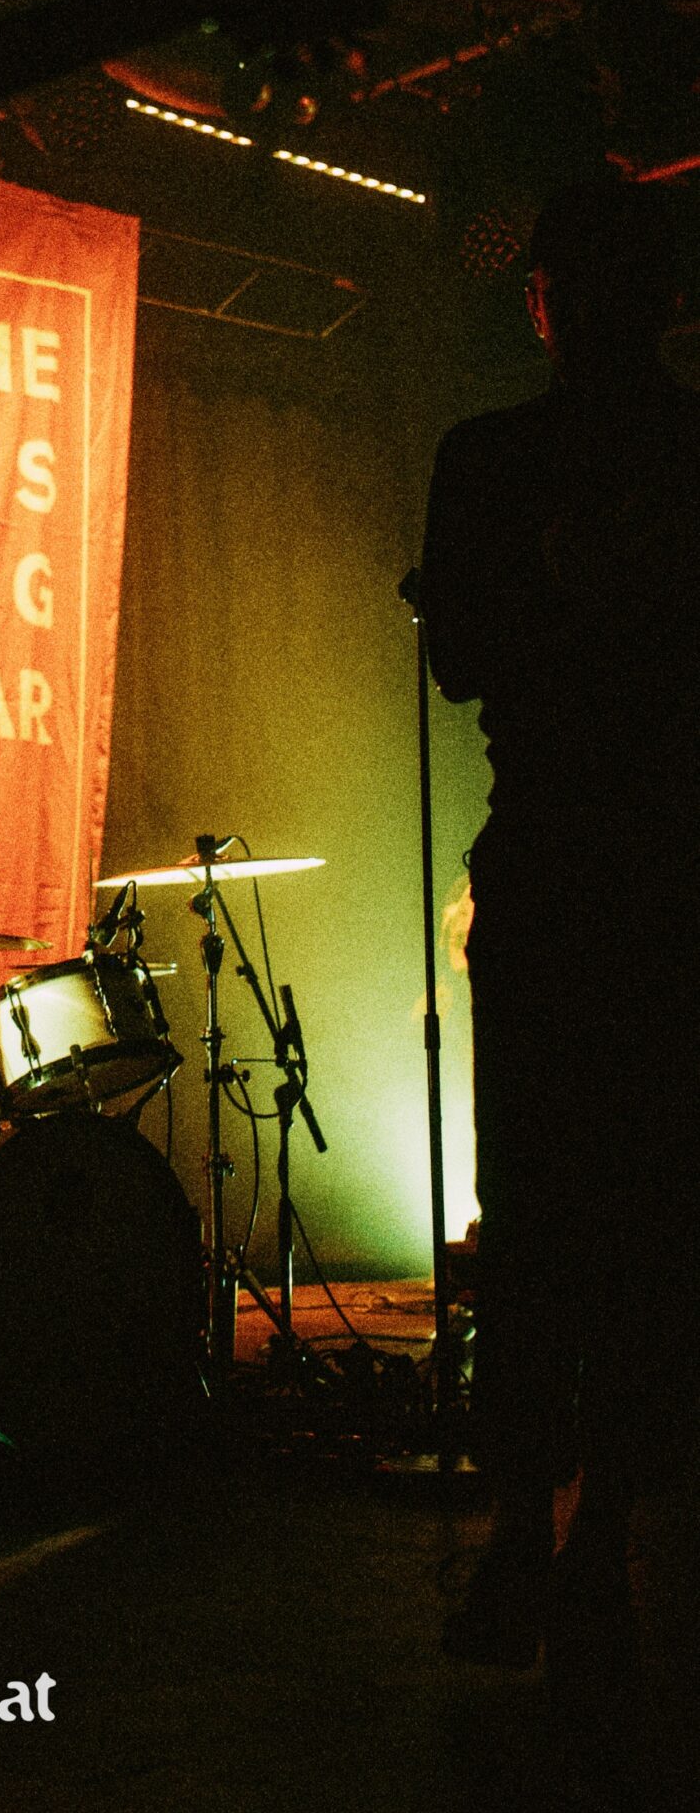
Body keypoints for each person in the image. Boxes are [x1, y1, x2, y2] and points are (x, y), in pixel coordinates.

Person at [421, 177, 700, 1709]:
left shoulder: (487, 458)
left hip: (547, 862)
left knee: (527, 1206)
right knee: (653, 1211)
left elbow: (463, 654)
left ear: (537, 297)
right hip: (670, 872)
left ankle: (524, 1528)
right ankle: (594, 1542)